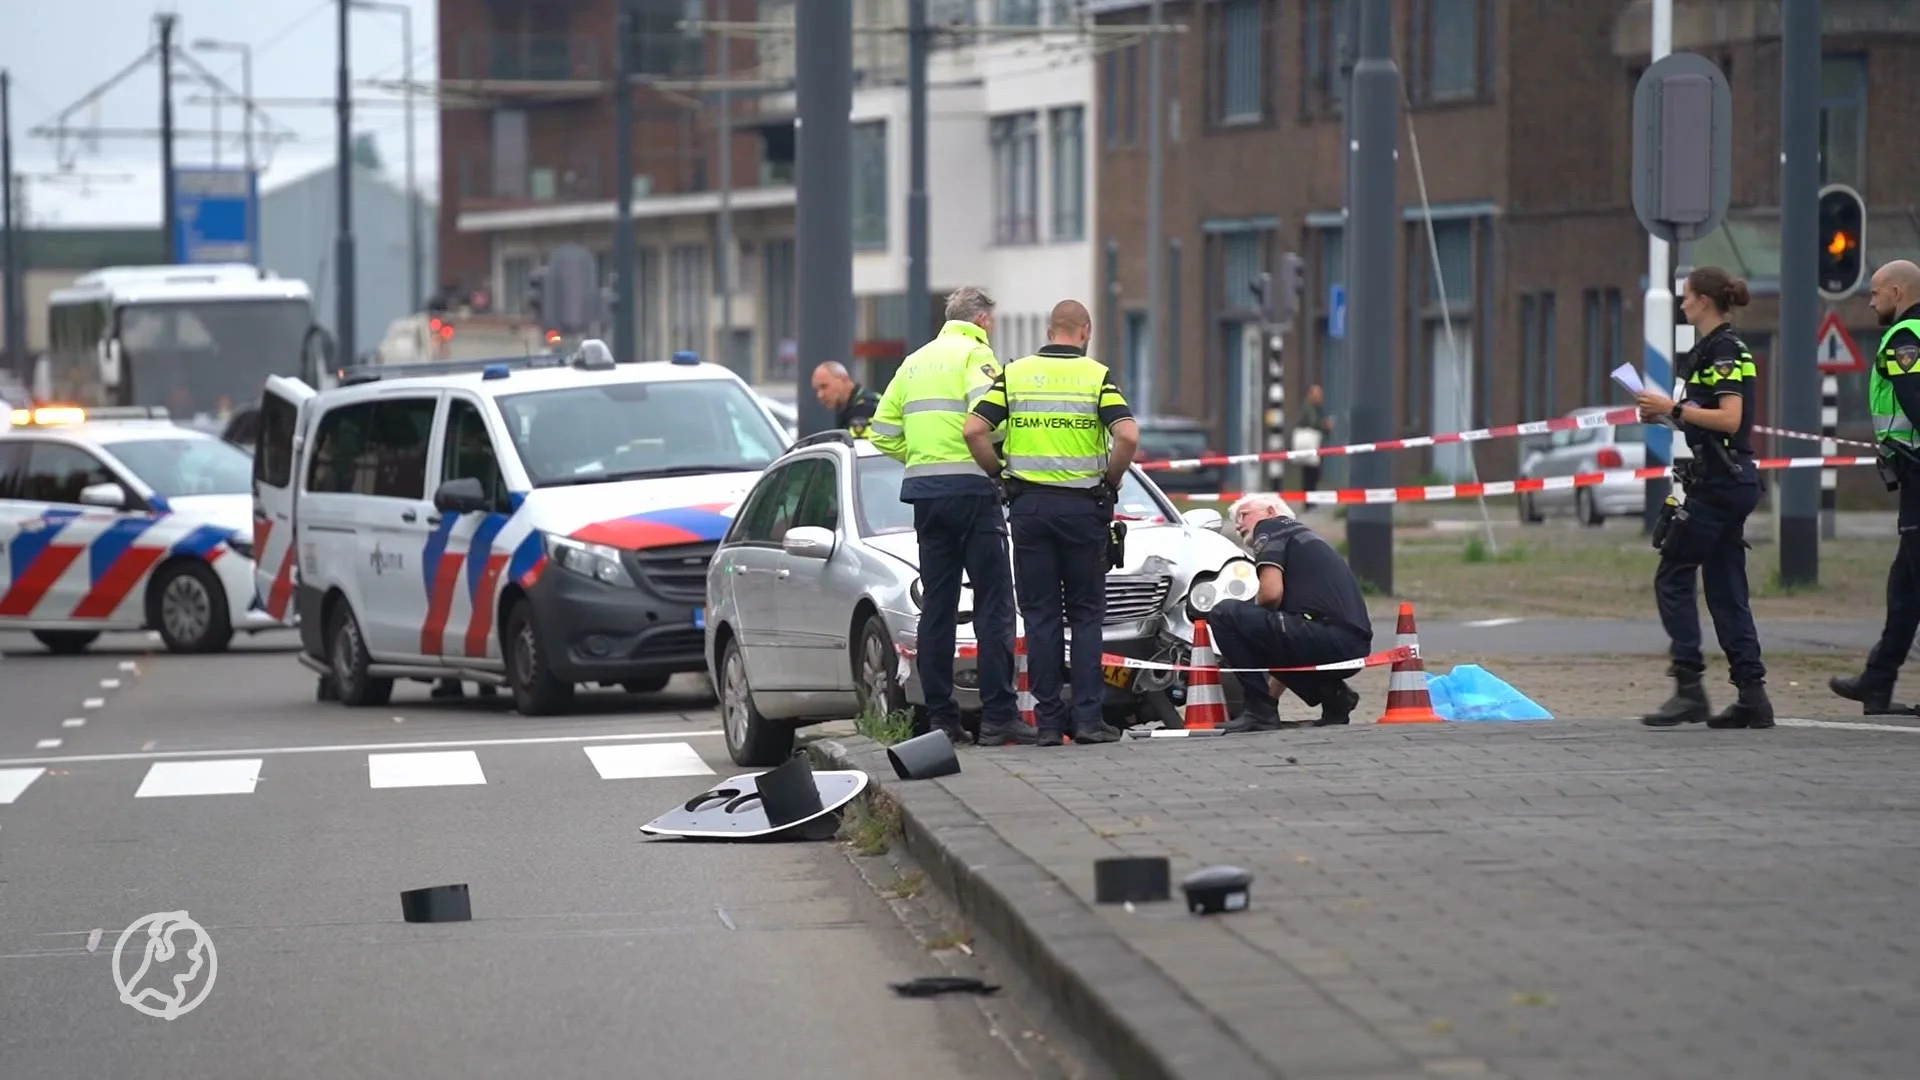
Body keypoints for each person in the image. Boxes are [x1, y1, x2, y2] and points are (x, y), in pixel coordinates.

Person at [964, 299, 1136, 747]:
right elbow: (1128, 435)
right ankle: (1088, 720)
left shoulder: (1014, 373)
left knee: (1040, 617)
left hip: (1030, 509)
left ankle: (1047, 723)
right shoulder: (1096, 377)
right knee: (1085, 617)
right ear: (1086, 331)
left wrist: (998, 475)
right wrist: (1111, 481)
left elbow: (974, 430)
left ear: (1048, 329)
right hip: (1083, 509)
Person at [869, 287, 1033, 746]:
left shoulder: (914, 361)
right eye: (992, 323)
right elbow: (992, 422)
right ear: (981, 320)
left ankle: (941, 719)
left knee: (937, 608)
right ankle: (999, 716)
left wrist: (921, 458)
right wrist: (997, 465)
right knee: (994, 604)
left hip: (926, 495)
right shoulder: (976, 357)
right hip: (973, 492)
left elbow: (880, 431)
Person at [1633, 266, 1771, 729]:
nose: (1683, 304)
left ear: (1706, 301)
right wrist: (1668, 418)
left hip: (1719, 485)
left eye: (1688, 297)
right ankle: (1753, 696)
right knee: (1725, 586)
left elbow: (1730, 419)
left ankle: (1689, 687)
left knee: (1673, 574)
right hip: (1726, 481)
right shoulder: (1712, 350)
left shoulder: (1725, 350)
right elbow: (1706, 419)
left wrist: (1673, 408)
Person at [1831, 259, 1920, 716]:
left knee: (1912, 582)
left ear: (1899, 293)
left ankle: (1877, 680)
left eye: (1876, 292)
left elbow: (1915, 398)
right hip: (1912, 476)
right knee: (1904, 586)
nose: (1870, 301)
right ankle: (1877, 683)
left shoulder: (1904, 338)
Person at [1206, 494, 1371, 731]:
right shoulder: (1304, 540)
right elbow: (1278, 641)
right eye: (1235, 520)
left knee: (1225, 614)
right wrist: (1271, 699)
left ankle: (1257, 710)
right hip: (1352, 645)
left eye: (1244, 514)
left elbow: (1271, 594)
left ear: (1271, 511)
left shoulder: (1273, 527)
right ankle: (1335, 698)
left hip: (1326, 634)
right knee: (1264, 630)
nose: (1238, 524)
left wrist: (1244, 620)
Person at [811, 360, 883, 437]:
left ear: (844, 379)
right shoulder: (845, 408)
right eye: (817, 390)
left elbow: (859, 446)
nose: (820, 395)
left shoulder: (867, 406)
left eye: (824, 386)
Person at [1294, 385, 1333, 500]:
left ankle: (1311, 498)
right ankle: (1309, 499)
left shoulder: (1319, 408)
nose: (1320, 397)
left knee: (1313, 472)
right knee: (1309, 472)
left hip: (1315, 444)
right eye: (1317, 394)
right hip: (1309, 444)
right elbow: (1313, 422)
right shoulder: (1309, 408)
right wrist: (1325, 425)